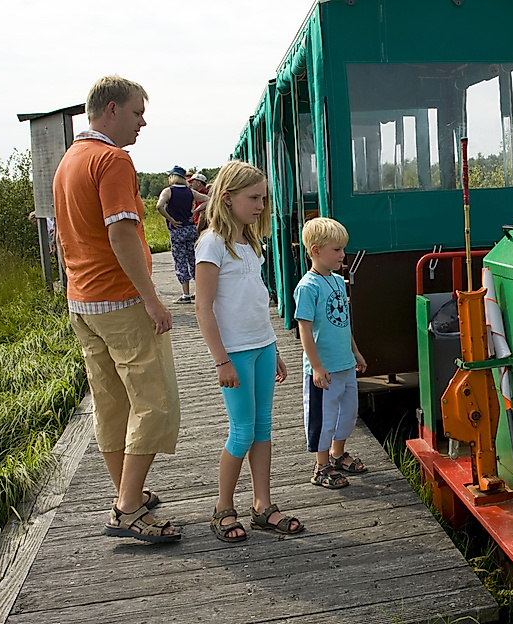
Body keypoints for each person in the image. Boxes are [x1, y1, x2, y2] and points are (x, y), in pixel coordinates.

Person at [52, 75, 180, 543]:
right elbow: (122, 232)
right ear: (110, 110)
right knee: (156, 402)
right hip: (121, 300)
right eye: (136, 112)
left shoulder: (69, 161)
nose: (142, 122)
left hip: (83, 301)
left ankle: (130, 495)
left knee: (112, 404)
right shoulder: (112, 160)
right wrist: (151, 295)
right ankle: (127, 509)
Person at [195, 160, 304, 541]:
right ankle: (223, 507)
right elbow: (203, 307)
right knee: (241, 432)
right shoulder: (212, 244)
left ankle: (262, 505)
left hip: (261, 346)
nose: (261, 205)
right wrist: (221, 359)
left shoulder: (250, 242)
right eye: (253, 198)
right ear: (227, 198)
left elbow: (256, 301)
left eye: (263, 198)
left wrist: (273, 346)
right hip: (236, 353)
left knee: (262, 429)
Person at [293, 217, 368, 489]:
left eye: (342, 249)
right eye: (336, 250)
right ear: (316, 250)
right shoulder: (308, 287)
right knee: (323, 417)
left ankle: (337, 454)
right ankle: (321, 465)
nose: (343, 255)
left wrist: (355, 352)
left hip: (344, 363)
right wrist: (316, 366)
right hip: (324, 369)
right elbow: (304, 328)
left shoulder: (337, 280)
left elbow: (343, 321)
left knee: (347, 413)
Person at [156, 166, 207, 304]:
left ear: (172, 177)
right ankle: (199, 291)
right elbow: (208, 199)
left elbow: (159, 206)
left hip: (177, 229)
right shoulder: (189, 192)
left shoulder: (168, 191)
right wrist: (195, 211)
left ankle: (185, 294)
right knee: (193, 259)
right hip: (191, 229)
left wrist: (170, 219)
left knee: (180, 261)